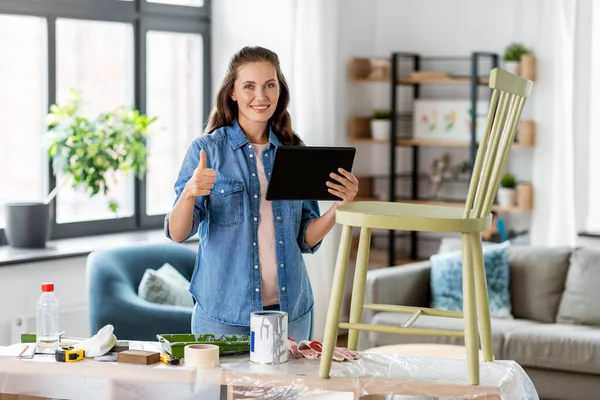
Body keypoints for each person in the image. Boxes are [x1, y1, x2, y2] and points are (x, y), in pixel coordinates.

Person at [165, 46, 359, 341]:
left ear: (280, 90)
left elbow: (305, 238)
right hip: (224, 312)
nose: (261, 96)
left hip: (289, 310)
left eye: (270, 85)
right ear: (232, 92)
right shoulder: (207, 150)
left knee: (287, 390)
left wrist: (339, 208)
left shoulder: (294, 150)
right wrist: (190, 193)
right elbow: (178, 233)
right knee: (223, 390)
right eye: (249, 86)